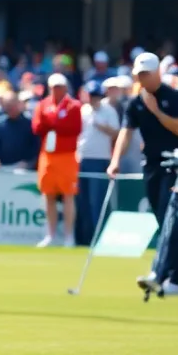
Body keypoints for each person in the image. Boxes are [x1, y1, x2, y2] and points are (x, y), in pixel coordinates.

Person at [107, 52, 178, 296]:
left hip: (176, 165)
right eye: (139, 75)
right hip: (152, 166)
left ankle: (162, 273)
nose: (142, 79)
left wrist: (156, 112)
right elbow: (126, 132)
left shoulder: (175, 97)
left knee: (168, 216)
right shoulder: (135, 103)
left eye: (146, 74)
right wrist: (115, 161)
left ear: (157, 73)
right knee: (162, 218)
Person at [32, 74, 82, 247]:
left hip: (67, 155)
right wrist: (55, 122)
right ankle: (50, 235)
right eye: (54, 87)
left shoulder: (74, 106)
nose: (57, 90)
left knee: (68, 195)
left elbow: (74, 127)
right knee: (48, 195)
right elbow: (37, 126)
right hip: (47, 155)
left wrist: (52, 122)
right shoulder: (43, 104)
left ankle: (69, 236)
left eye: (60, 86)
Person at [76, 80, 119, 245]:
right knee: (83, 201)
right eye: (91, 95)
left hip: (100, 159)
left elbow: (116, 133)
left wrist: (101, 126)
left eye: (96, 96)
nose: (94, 99)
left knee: (97, 200)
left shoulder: (109, 111)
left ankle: (99, 237)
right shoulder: (83, 110)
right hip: (83, 159)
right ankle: (85, 238)